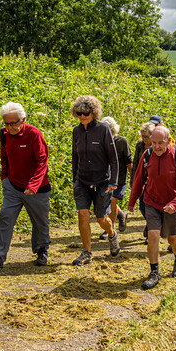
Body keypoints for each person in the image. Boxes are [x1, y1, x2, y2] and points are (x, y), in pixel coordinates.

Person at [0, 102, 52, 269]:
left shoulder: (34, 134)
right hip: (13, 186)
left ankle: (42, 251)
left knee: (39, 222)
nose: (10, 127)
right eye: (6, 123)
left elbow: (42, 161)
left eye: (14, 123)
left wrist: (33, 185)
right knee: (5, 218)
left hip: (37, 189)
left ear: (23, 120)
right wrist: (4, 178)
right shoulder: (4, 135)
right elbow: (4, 157)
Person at [127, 126, 176, 289]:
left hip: (172, 204)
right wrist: (132, 200)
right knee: (153, 235)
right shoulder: (148, 154)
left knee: (172, 239)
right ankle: (154, 272)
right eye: (153, 142)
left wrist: (175, 203)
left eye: (160, 143)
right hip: (152, 202)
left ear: (169, 141)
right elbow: (139, 179)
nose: (156, 146)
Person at [70, 96, 120, 265]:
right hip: (82, 181)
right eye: (79, 113)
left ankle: (112, 234)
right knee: (83, 214)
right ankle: (87, 253)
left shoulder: (103, 129)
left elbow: (113, 158)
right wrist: (74, 179)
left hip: (102, 181)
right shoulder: (76, 131)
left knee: (101, 219)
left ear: (94, 113)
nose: (82, 116)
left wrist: (113, 181)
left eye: (85, 113)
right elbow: (74, 156)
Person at [99, 116, 132, 239]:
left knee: (112, 201)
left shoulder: (122, 141)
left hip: (119, 178)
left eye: (110, 132)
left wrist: (133, 181)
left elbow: (129, 161)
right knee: (106, 203)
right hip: (104, 178)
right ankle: (121, 214)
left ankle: (110, 228)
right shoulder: (100, 143)